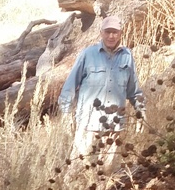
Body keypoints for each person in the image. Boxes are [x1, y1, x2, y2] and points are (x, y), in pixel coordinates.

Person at [58, 14, 145, 171]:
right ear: (101, 32)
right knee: (77, 168)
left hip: (114, 124)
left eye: (115, 32)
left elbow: (133, 90)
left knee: (105, 172)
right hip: (88, 121)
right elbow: (70, 86)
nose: (111, 36)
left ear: (120, 34)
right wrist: (66, 114)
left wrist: (141, 111)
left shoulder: (127, 56)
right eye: (107, 32)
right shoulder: (88, 54)